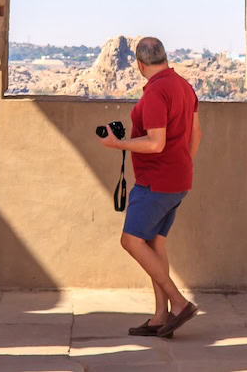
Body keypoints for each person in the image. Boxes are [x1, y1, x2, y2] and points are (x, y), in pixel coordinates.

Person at [95, 36, 201, 338]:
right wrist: (182, 164)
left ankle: (178, 303)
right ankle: (160, 316)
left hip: (156, 182)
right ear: (164, 58)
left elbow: (155, 143)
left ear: (140, 65)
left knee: (131, 241)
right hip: (178, 179)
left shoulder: (156, 92)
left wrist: (117, 144)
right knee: (155, 245)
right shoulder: (184, 86)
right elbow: (196, 134)